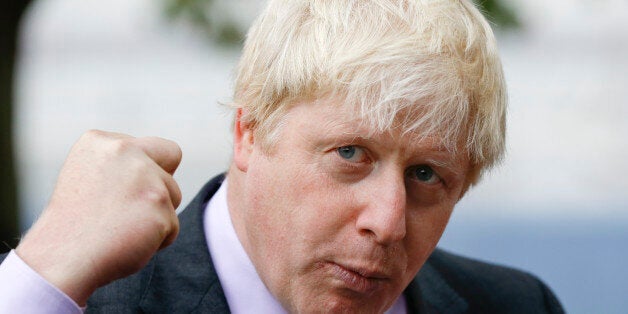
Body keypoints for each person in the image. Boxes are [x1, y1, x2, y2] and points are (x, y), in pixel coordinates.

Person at [0, 0, 564, 313]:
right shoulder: (79, 304)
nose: (387, 222)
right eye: (350, 153)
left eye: (425, 174)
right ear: (249, 129)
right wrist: (37, 277)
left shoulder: (517, 305)